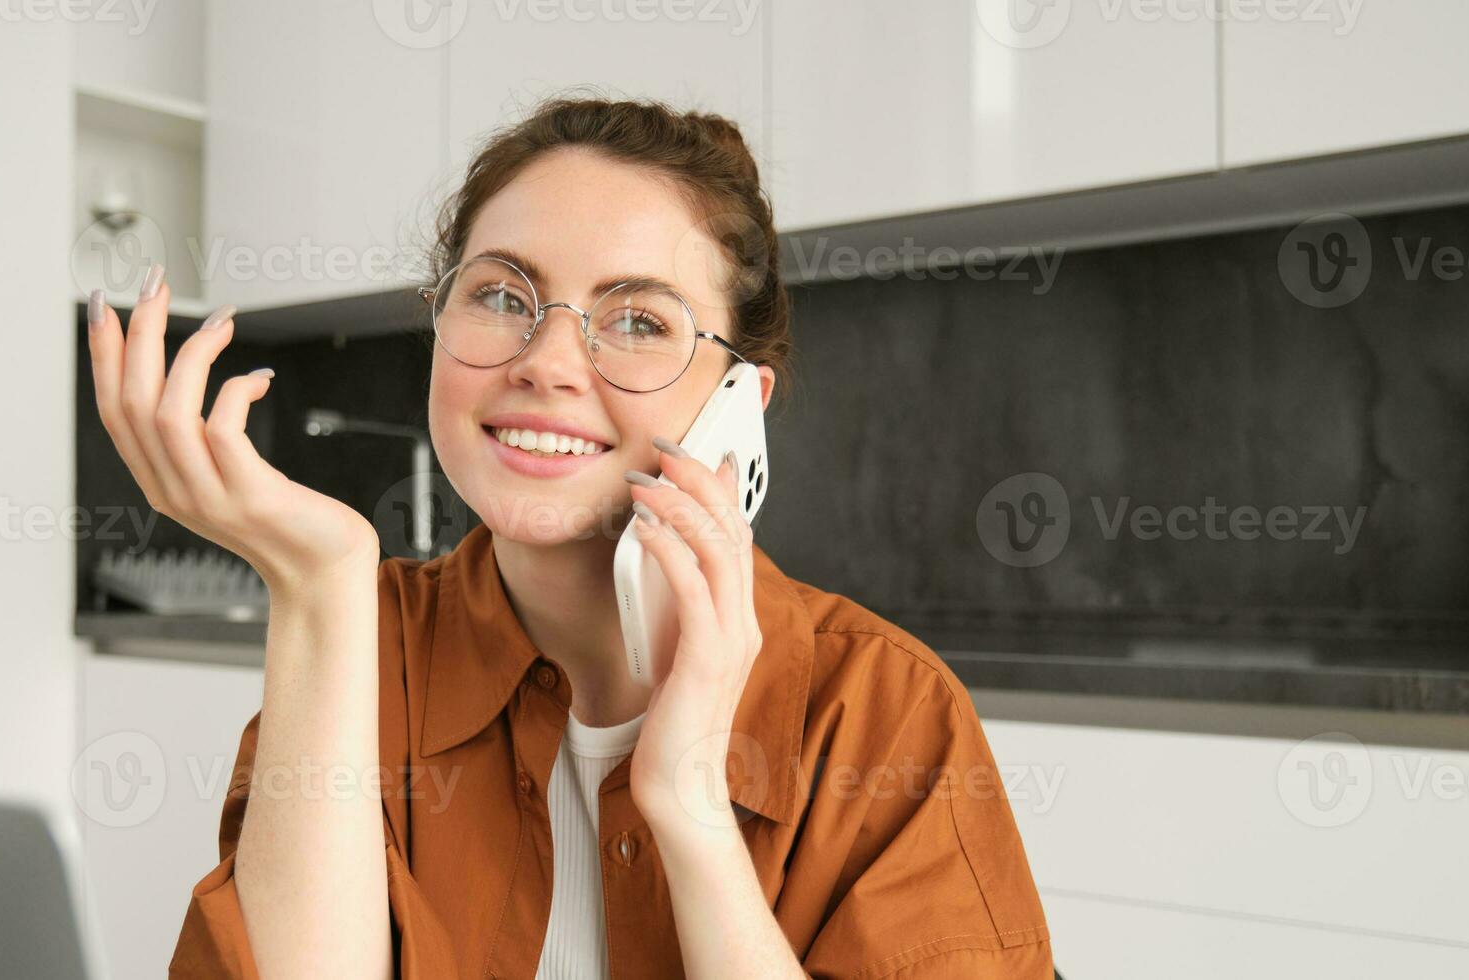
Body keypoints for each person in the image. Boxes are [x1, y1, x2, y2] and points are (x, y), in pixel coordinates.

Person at [87, 95, 1055, 979]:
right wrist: (319, 585)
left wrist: (688, 809)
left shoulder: (882, 705)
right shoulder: (358, 650)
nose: (547, 361)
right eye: (502, 297)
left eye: (635, 319)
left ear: (737, 400)